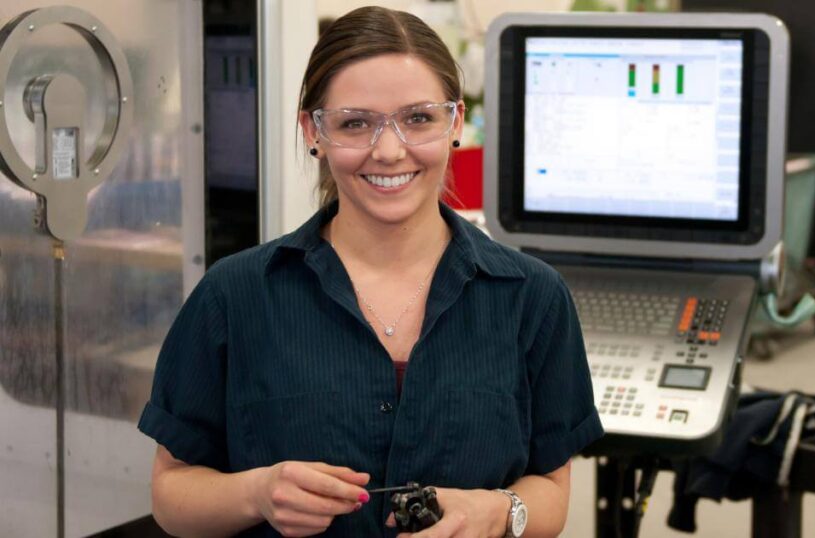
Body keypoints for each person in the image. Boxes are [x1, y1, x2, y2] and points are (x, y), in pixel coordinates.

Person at [138, 6, 603, 537]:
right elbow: (171, 494)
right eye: (355, 123)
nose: (388, 150)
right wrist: (256, 493)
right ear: (314, 131)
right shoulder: (235, 295)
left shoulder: (532, 298)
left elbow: (551, 491)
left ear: (454, 123)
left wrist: (499, 513)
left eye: (418, 118)